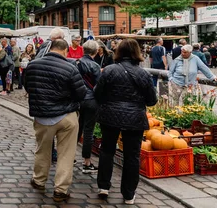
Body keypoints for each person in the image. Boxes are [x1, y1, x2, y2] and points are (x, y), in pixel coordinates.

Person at [94, 38, 158, 205]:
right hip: (135, 118)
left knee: (107, 150)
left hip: (110, 116)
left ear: (119, 52)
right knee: (132, 156)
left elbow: (97, 94)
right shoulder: (143, 74)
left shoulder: (108, 70)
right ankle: (128, 194)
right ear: (136, 53)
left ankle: (103, 186)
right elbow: (152, 100)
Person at [24, 39, 86, 203]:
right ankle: (61, 190)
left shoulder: (33, 65)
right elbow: (81, 94)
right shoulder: (71, 68)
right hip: (66, 115)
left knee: (42, 150)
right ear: (65, 50)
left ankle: (39, 180)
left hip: (42, 116)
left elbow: (27, 86)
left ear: (50, 48)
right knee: (66, 153)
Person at [76, 40, 102, 174]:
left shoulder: (77, 63)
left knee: (77, 128)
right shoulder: (95, 66)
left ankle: (70, 157)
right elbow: (98, 86)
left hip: (78, 100)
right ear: (96, 51)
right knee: (88, 131)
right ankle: (87, 162)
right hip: (91, 100)